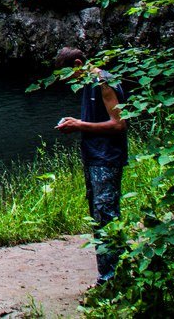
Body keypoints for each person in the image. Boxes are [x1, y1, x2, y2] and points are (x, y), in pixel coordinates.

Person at [54, 46, 128, 285]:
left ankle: (111, 280)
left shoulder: (103, 82)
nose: (67, 81)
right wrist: (75, 123)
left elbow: (119, 124)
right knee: (99, 216)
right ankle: (110, 275)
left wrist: (79, 125)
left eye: (68, 74)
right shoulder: (87, 84)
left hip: (107, 158)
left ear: (78, 64)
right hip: (94, 157)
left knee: (106, 216)